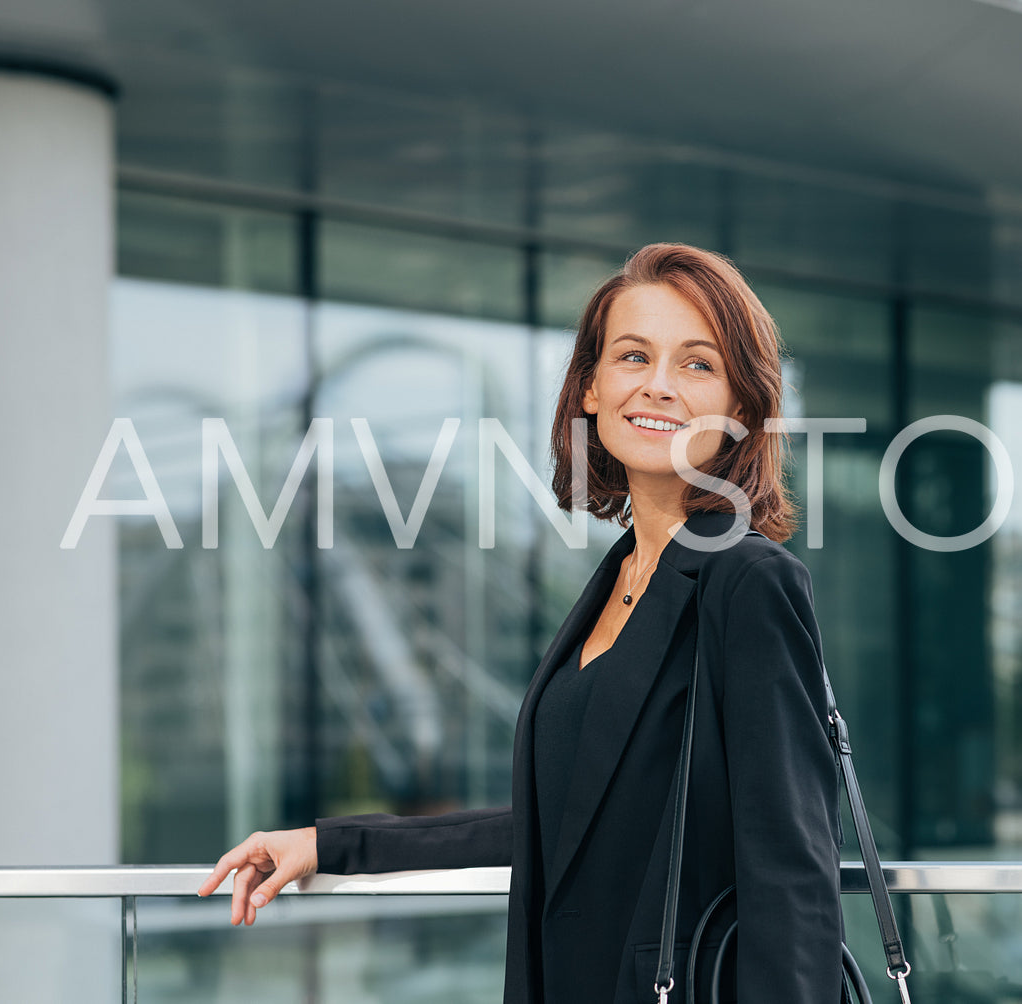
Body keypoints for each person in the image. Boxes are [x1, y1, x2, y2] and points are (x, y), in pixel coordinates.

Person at [198, 243, 844, 1003]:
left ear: (740, 407)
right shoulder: (612, 583)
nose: (659, 385)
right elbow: (557, 828)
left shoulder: (747, 579)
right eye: (633, 356)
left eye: (697, 365)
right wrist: (331, 843)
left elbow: (791, 867)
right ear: (593, 390)